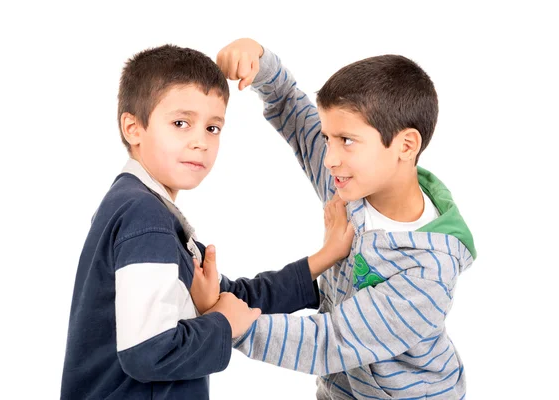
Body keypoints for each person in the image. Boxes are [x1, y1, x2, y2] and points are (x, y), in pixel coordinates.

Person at [60, 44, 354, 400]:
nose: (200, 142)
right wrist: (223, 322)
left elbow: (229, 296)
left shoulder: (141, 207)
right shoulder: (144, 217)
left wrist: (324, 258)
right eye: (181, 123)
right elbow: (148, 353)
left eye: (213, 128)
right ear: (133, 128)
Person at [213, 38, 477, 399]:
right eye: (327, 138)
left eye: (346, 140)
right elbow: (293, 109)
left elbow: (332, 341)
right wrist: (259, 61)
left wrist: (238, 328)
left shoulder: (429, 270)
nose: (329, 158)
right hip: (341, 389)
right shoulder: (350, 186)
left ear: (406, 145)